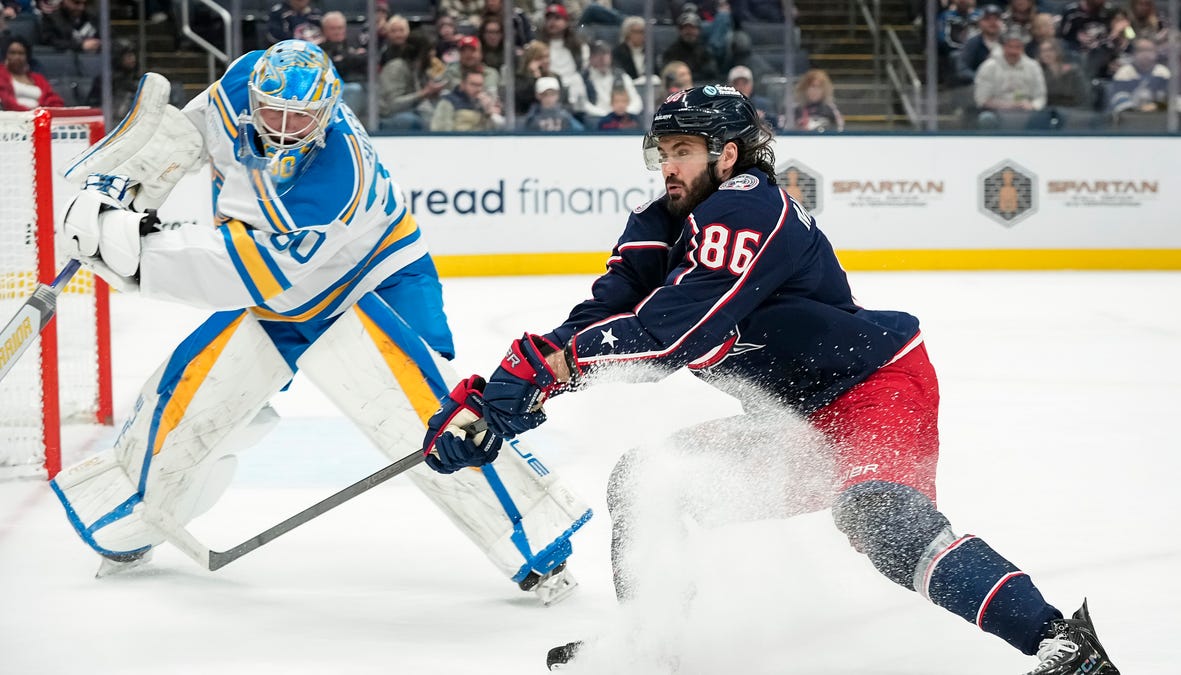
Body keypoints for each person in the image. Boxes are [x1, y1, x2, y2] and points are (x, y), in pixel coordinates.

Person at [421, 87, 1122, 675]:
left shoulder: (749, 206)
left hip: (876, 384)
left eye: (683, 151)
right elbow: (602, 318)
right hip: (794, 416)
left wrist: (555, 366)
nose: (668, 166)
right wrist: (499, 398)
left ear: (727, 155)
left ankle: (1063, 644)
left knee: (879, 518)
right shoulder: (664, 224)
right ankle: (648, 641)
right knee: (644, 479)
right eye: (663, 153)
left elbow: (669, 339)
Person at [49, 40, 589, 605]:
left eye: (298, 118)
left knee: (430, 420)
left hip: (373, 282)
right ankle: (131, 514)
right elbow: (181, 137)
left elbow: (247, 271)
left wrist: (134, 251)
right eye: (271, 113)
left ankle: (537, 543)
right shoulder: (241, 85)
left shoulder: (337, 175)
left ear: (328, 112)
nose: (281, 129)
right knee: (186, 391)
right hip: (281, 293)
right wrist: (116, 192)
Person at [0, 35, 64, 110]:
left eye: (21, 53)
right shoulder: (1, 75)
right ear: (6, 55)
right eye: (12, 53)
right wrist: (29, 113)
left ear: (27, 56)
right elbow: (6, 101)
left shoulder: (38, 78)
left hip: (40, 117)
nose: (17, 57)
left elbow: (54, 100)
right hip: (14, 117)